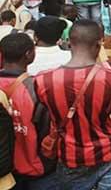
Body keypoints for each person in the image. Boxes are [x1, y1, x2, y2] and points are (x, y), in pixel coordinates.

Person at [34, 20, 111, 190]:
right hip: (108, 152)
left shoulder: (43, 80)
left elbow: (49, 113)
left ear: (69, 43)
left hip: (70, 156)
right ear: (99, 44)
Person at [0, 33, 57, 189]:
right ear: (29, 54)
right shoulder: (37, 89)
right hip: (37, 169)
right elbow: (48, 131)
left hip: (5, 174)